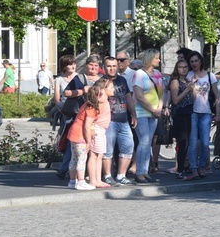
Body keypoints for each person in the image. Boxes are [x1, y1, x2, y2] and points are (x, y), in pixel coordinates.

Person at [182, 51, 220, 181]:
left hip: (206, 112)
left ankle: (202, 166)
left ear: (201, 61)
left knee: (204, 143)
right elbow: (191, 97)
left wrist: (218, 113)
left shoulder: (210, 75)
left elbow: (217, 95)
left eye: (196, 61)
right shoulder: (189, 75)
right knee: (193, 142)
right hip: (193, 112)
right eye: (191, 61)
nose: (194, 64)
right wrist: (192, 85)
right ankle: (194, 168)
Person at [66, 82, 110, 191]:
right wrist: (89, 141)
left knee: (74, 158)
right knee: (82, 158)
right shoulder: (92, 108)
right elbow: (86, 126)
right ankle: (81, 182)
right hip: (80, 135)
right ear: (98, 96)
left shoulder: (85, 104)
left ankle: (72, 181)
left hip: (73, 133)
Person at [100, 56, 136, 186]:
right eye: (109, 66)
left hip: (123, 120)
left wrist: (133, 114)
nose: (112, 68)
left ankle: (121, 175)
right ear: (104, 67)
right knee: (107, 151)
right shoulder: (101, 82)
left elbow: (128, 97)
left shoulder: (122, 80)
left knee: (128, 147)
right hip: (109, 121)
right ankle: (107, 176)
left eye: (114, 66)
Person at [132, 49, 164, 184]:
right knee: (144, 141)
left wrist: (160, 107)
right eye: (157, 58)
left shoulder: (157, 74)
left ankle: (144, 171)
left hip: (154, 113)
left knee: (148, 142)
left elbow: (162, 93)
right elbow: (139, 96)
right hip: (142, 112)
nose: (159, 60)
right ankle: (139, 172)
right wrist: (153, 109)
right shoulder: (139, 74)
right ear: (150, 59)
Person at [168, 59, 194, 177]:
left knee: (188, 142)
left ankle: (184, 167)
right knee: (182, 141)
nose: (183, 69)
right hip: (179, 114)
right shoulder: (175, 81)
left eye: (185, 67)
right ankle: (180, 168)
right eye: (180, 67)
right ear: (176, 69)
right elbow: (175, 100)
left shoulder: (188, 80)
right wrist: (187, 89)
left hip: (189, 113)